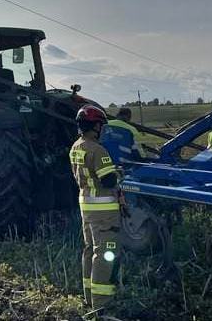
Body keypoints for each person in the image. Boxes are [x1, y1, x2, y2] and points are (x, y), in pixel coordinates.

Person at [69, 105, 122, 311]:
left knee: (90, 250)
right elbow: (108, 180)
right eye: (101, 125)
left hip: (87, 207)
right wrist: (118, 173)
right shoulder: (98, 150)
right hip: (104, 212)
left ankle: (89, 297)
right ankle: (102, 303)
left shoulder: (76, 147)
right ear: (95, 126)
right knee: (105, 254)